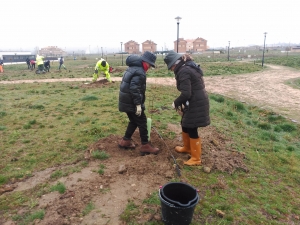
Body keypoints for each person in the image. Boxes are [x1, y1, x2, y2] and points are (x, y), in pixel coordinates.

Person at [164, 51, 210, 166]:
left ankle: (196, 158)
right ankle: (187, 147)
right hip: (195, 100)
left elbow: (186, 93)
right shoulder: (187, 67)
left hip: (196, 101)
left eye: (171, 67)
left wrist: (176, 103)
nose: (172, 70)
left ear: (175, 63)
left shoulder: (184, 71)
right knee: (185, 123)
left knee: (192, 127)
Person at [118, 51, 159, 155]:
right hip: (131, 102)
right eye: (150, 65)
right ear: (146, 62)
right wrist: (138, 105)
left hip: (126, 101)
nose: (149, 67)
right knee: (142, 122)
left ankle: (125, 141)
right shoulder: (140, 71)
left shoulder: (133, 67)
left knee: (133, 121)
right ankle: (145, 146)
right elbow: (134, 89)